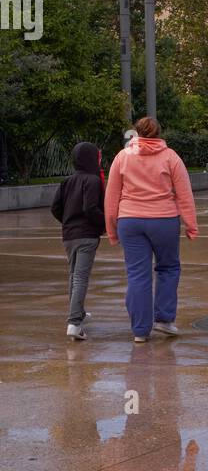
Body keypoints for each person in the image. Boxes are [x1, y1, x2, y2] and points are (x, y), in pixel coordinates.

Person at [105, 116, 198, 343]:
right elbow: (184, 193)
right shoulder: (170, 157)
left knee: (137, 275)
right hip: (163, 220)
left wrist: (111, 228)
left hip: (130, 221)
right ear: (158, 133)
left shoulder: (122, 157)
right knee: (168, 268)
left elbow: (111, 196)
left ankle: (140, 331)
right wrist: (190, 224)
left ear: (136, 133)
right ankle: (164, 319)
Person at [51, 141, 106, 341]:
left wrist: (67, 221)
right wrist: (104, 224)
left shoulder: (67, 181)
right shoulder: (93, 180)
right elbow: (91, 208)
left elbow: (55, 207)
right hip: (87, 235)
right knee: (80, 277)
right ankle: (74, 322)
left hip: (69, 236)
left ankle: (79, 313)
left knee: (74, 275)